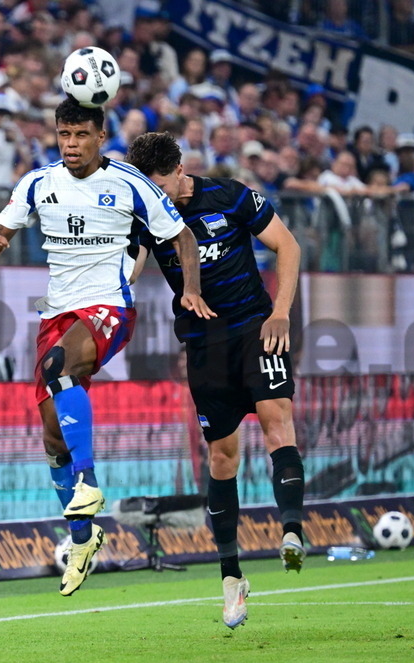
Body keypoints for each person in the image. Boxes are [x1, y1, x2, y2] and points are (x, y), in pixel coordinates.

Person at [0, 98, 212, 596]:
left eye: (81, 135)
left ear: (99, 137)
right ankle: (83, 538)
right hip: (56, 312)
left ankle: (88, 482)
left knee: (59, 367)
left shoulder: (130, 184)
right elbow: (2, 224)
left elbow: (183, 237)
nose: (71, 145)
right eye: (64, 135)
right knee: (51, 437)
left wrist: (189, 289)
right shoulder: (38, 183)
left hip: (110, 306)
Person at [125, 132, 304, 629]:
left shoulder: (230, 196)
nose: (155, 196)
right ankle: (232, 578)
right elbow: (132, 268)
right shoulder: (145, 216)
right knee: (222, 456)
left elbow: (287, 246)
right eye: (147, 187)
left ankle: (291, 531)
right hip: (204, 346)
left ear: (180, 168)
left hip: (255, 328)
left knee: (276, 422)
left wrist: (282, 313)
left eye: (161, 184)